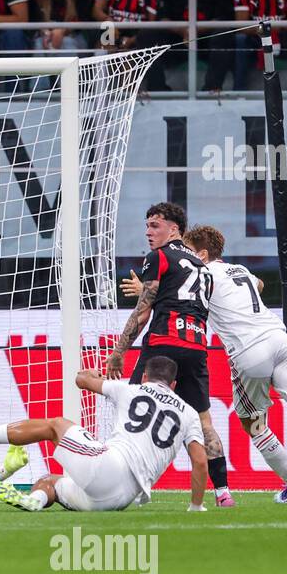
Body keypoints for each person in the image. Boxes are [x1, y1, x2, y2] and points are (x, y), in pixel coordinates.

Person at [170, 224, 287, 500]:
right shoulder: (239, 269)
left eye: (188, 252)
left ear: (202, 255)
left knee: (253, 424)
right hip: (279, 338)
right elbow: (259, 285)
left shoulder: (202, 274)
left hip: (249, 350)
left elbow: (177, 294)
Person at [104, 202, 233, 507]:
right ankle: (223, 491)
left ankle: (125, 482)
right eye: (147, 226)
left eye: (155, 225)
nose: (149, 232)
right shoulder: (204, 267)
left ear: (174, 229)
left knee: (132, 405)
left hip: (164, 343)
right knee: (204, 422)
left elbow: (143, 311)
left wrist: (119, 352)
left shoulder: (159, 257)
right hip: (197, 347)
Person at [0, 361, 210, 513]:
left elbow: (81, 380)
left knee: (55, 426)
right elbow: (200, 461)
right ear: (174, 384)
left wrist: (91, 373)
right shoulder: (189, 413)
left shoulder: (129, 388)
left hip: (112, 467)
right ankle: (35, 500)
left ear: (145, 377)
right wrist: (196, 505)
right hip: (122, 499)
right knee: (50, 482)